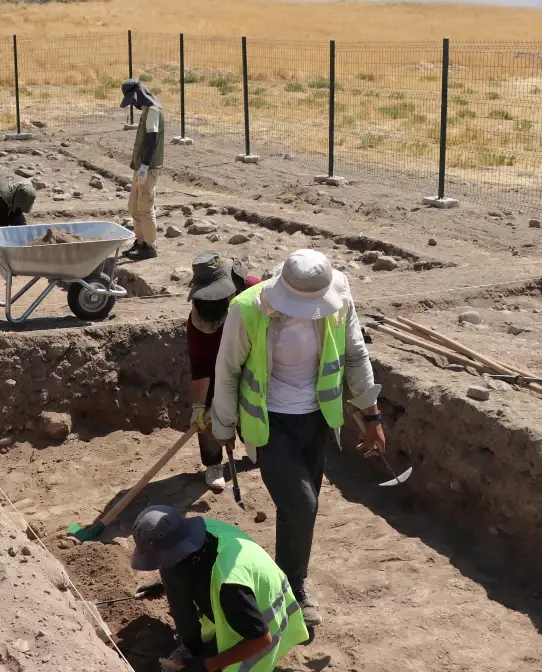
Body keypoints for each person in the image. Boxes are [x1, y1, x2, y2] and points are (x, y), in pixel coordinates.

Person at [211, 249, 385, 630]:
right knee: (303, 506)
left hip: (318, 419)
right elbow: (227, 371)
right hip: (269, 423)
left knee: (299, 509)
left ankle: (290, 578)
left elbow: (355, 355)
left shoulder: (339, 295)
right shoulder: (248, 309)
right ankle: (292, 587)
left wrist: (372, 415)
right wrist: (223, 428)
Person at [130, 505, 308, 672]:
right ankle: (196, 650)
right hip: (249, 593)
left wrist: (207, 665)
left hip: (263, 626)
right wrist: (165, 585)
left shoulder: (229, 586)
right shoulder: (202, 530)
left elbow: (261, 640)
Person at [186, 252, 260, 492]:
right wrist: (199, 406)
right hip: (217, 369)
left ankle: (257, 448)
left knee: (253, 407)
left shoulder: (252, 290)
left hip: (251, 362)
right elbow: (201, 365)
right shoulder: (197, 323)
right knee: (209, 413)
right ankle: (213, 463)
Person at [118, 79, 164, 261]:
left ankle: (150, 246)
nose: (134, 105)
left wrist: (145, 165)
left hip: (148, 167)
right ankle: (141, 241)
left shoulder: (153, 110)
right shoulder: (147, 109)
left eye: (133, 100)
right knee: (133, 206)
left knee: (144, 206)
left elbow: (152, 141)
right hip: (140, 167)